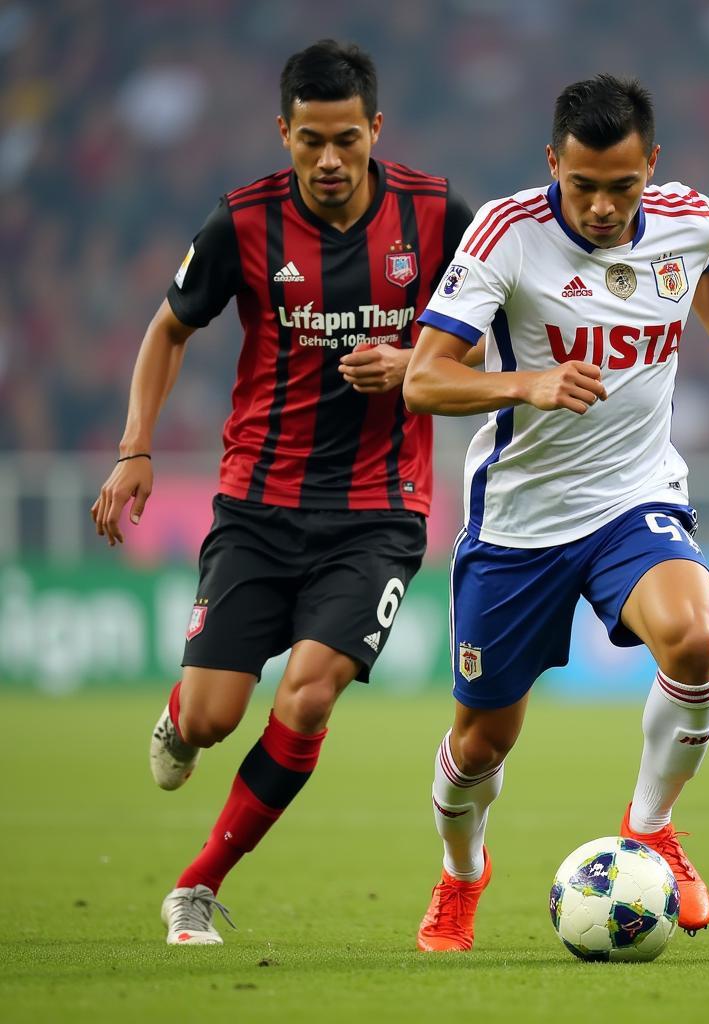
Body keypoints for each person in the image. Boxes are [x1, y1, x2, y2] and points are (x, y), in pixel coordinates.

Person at [90, 39, 473, 944]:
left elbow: (490, 337)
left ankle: (197, 885)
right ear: (285, 133)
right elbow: (168, 329)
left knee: (306, 696)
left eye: (347, 139)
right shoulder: (242, 224)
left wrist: (417, 360)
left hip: (381, 511)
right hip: (258, 507)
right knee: (214, 716)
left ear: (376, 129)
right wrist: (134, 447)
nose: (330, 160)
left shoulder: (437, 214)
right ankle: (183, 719)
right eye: (311, 141)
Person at [403, 75, 709, 952]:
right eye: (583, 186)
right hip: (520, 524)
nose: (604, 207)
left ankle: (650, 827)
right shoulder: (505, 234)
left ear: (653, 166)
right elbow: (423, 378)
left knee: (693, 636)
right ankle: (462, 875)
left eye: (622, 186)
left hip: (633, 495)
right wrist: (526, 381)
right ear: (551, 166)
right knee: (482, 743)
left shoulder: (691, 217)